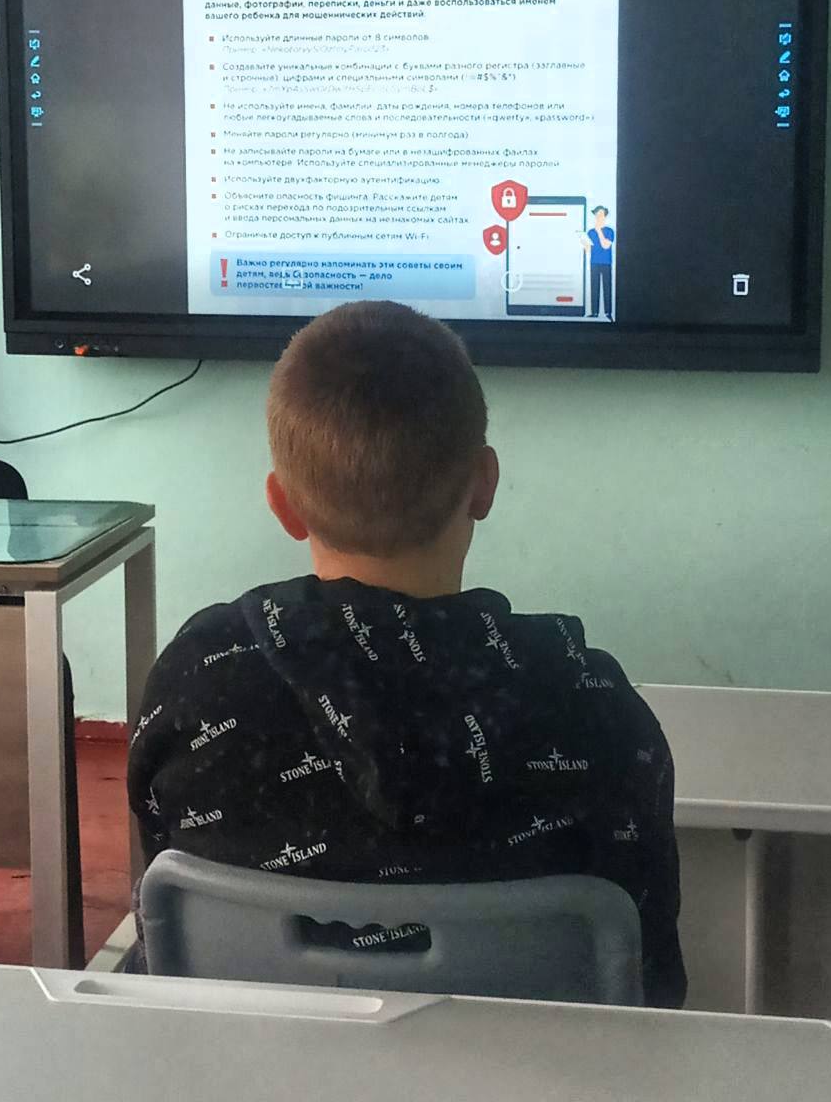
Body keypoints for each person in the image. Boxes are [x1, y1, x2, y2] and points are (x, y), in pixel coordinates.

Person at [127, 300, 685, 1006]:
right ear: (484, 483)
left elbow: (160, 938)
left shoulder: (194, 683)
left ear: (282, 504)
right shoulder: (597, 709)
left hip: (252, 1058)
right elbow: (651, 984)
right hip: (531, 1065)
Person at [586, 204, 615, 320]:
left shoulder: (609, 231)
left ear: (605, 216)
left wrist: (599, 232)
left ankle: (608, 312)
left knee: (607, 287)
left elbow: (606, 245)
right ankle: (594, 312)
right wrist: (584, 242)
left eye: (601, 215)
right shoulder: (590, 232)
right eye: (597, 215)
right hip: (594, 262)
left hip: (606, 263)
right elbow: (588, 250)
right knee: (594, 286)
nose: (599, 217)